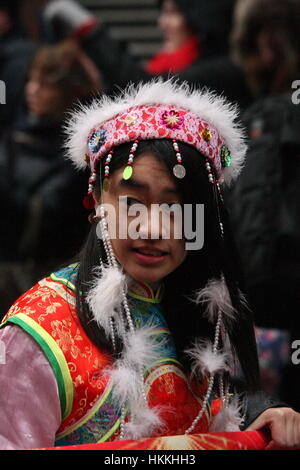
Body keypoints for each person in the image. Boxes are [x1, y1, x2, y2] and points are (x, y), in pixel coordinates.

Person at [0, 79, 299, 450]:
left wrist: (258, 414)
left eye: (175, 208)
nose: (153, 228)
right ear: (96, 200)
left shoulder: (202, 308)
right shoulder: (39, 331)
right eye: (131, 203)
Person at [0, 39, 101, 318]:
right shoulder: (13, 136)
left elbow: (53, 210)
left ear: (66, 90)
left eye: (44, 84)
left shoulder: (81, 151)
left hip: (51, 273)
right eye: (31, 80)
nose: (32, 90)